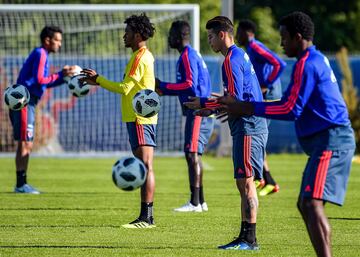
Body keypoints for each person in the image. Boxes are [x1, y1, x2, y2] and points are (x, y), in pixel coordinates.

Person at [214, 12, 356, 257]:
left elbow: (290, 108)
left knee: (310, 204)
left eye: (283, 38)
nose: (281, 44)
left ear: (297, 37)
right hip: (325, 142)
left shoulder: (307, 64)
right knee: (305, 204)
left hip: (331, 140)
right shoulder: (314, 59)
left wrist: (247, 107)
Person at [184, 16, 268, 250]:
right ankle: (245, 236)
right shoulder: (238, 55)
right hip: (249, 125)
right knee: (243, 183)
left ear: (222, 35)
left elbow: (234, 99)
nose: (209, 40)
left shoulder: (230, 60)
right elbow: (233, 99)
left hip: (248, 127)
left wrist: (204, 105)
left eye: (211, 36)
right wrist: (208, 107)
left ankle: (250, 239)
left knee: (247, 183)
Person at [81, 13, 157, 229]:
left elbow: (125, 88)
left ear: (138, 34)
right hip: (137, 117)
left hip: (140, 118)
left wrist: (99, 79)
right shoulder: (141, 56)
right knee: (144, 165)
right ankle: (145, 217)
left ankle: (147, 217)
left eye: (128, 32)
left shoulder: (140, 57)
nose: (124, 36)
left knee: (146, 166)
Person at [156, 20, 214, 212]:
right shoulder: (190, 54)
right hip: (199, 110)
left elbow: (190, 85)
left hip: (198, 111)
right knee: (194, 155)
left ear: (180, 36)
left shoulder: (187, 56)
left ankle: (194, 203)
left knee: (191, 154)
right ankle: (202, 201)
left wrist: (163, 86)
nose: (168, 39)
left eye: (171, 35)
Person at [10, 25, 76, 194]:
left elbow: (45, 81)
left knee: (25, 143)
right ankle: (21, 185)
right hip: (25, 100)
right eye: (57, 40)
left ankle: (21, 184)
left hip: (26, 100)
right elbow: (40, 80)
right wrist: (61, 74)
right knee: (26, 143)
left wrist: (62, 78)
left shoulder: (43, 54)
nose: (60, 44)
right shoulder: (40, 54)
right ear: (48, 40)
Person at [236, 19, 286, 196]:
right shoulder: (249, 49)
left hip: (269, 96)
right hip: (262, 95)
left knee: (257, 135)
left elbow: (279, 63)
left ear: (247, 33)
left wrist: (267, 85)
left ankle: (261, 178)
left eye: (239, 32)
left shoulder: (255, 46)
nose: (236, 36)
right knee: (258, 135)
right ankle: (267, 180)